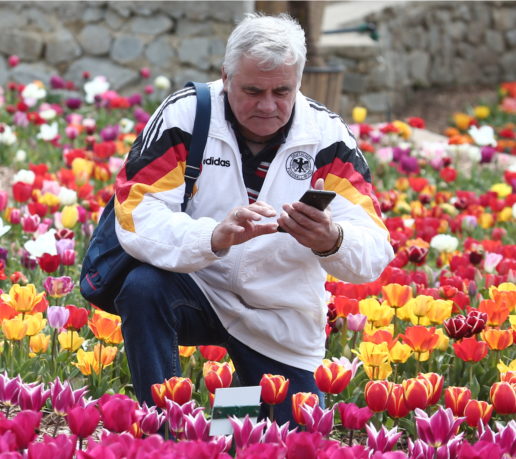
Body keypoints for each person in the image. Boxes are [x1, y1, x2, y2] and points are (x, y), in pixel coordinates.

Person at [113, 13, 392, 424]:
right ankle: (162, 433)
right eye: (252, 90)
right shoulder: (186, 116)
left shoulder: (328, 138)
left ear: (299, 82)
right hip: (196, 286)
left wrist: (332, 239)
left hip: (278, 314)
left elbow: (375, 249)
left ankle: (227, 421)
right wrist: (213, 237)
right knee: (142, 287)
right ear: (226, 77)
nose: (267, 105)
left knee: (292, 446)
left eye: (282, 91)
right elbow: (136, 213)